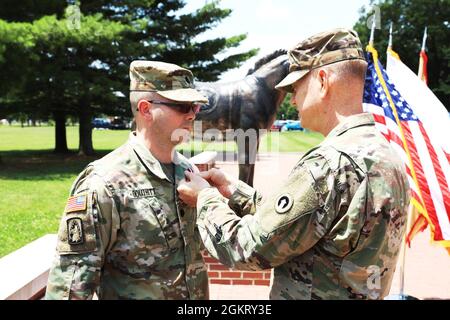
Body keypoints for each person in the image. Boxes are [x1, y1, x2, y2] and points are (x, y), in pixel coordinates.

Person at [177, 28, 410, 300]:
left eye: (296, 86)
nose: (292, 98)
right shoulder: (388, 155)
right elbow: (309, 218)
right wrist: (232, 189)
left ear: (323, 81)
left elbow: (247, 250)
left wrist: (204, 198)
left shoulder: (328, 164)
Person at [45, 61, 209, 300]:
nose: (192, 115)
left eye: (195, 106)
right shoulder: (104, 183)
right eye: (183, 106)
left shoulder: (188, 171)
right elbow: (69, 288)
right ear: (145, 109)